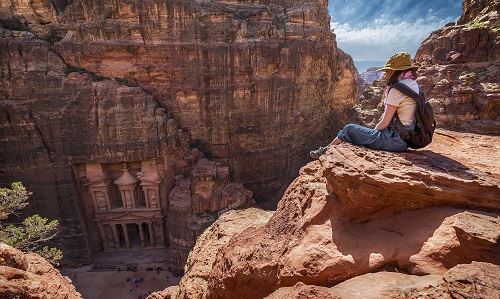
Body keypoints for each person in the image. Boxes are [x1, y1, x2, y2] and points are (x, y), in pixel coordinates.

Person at [310, 52, 420, 158]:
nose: (386, 74)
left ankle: (325, 150)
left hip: (394, 141)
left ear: (395, 71)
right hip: (406, 138)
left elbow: (385, 122)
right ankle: (326, 149)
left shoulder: (397, 90)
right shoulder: (414, 86)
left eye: (388, 71)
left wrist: (372, 135)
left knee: (349, 129)